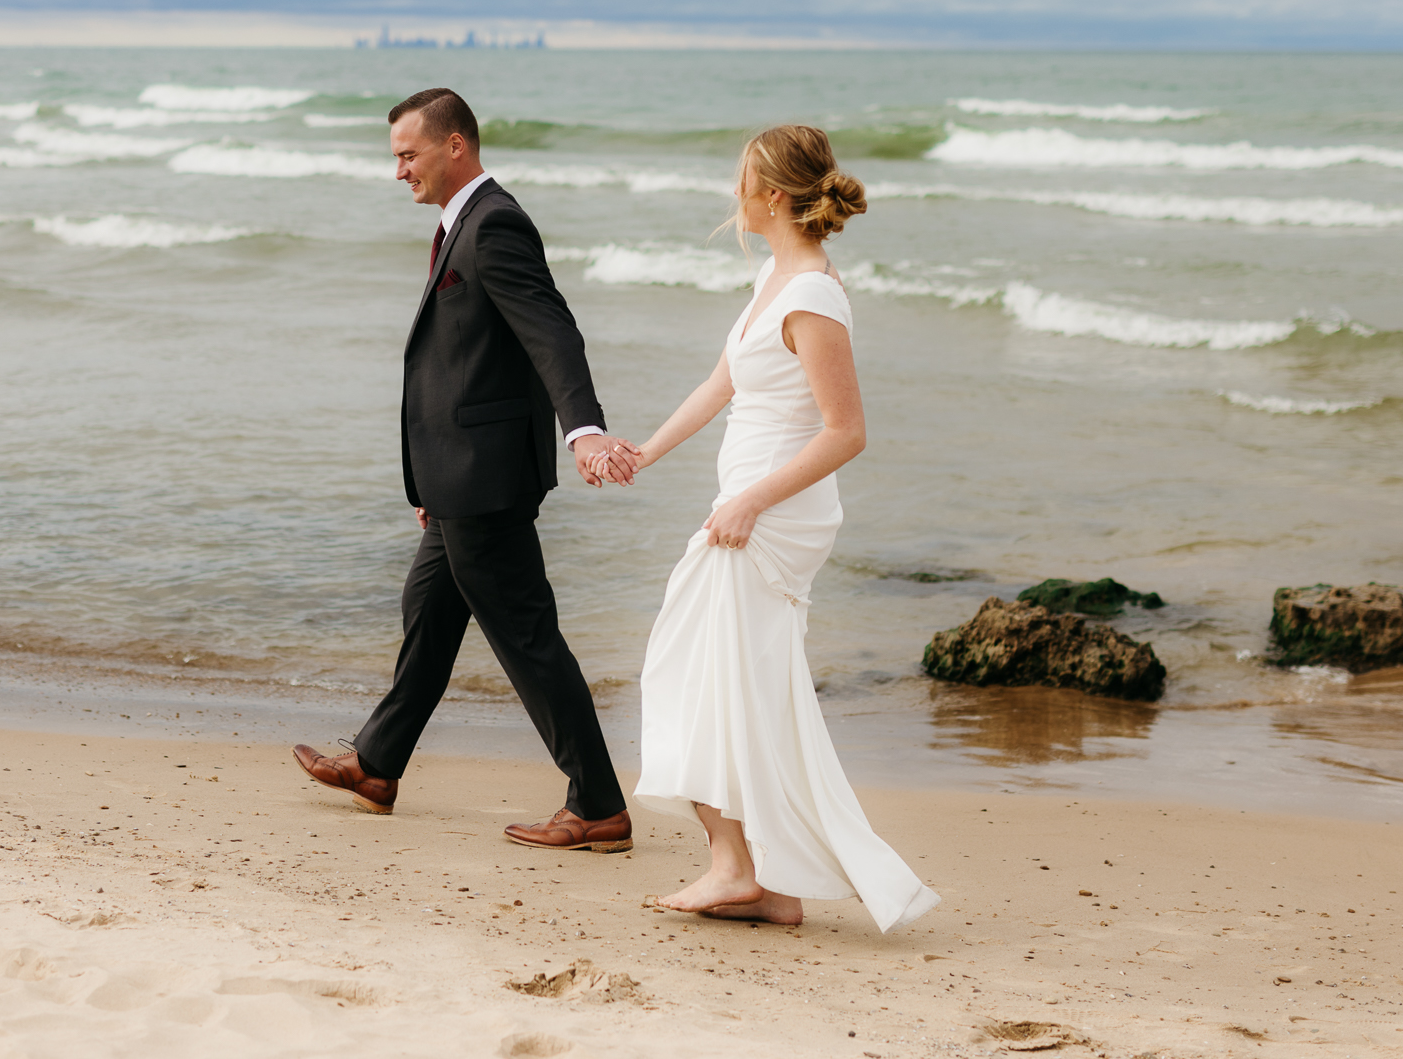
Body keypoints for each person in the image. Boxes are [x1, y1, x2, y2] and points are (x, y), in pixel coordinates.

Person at [292, 87, 642, 853]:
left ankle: (600, 802)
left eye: (408, 155)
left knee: (527, 637)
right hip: (455, 478)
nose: (398, 171)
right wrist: (426, 479)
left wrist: (583, 429)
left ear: (456, 146)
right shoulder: (462, 226)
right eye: (394, 157)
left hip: (485, 481)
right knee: (429, 614)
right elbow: (460, 364)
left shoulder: (497, 224)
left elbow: (553, 333)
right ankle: (377, 764)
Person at [626, 125, 942, 930]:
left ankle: (740, 868)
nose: (732, 192)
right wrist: (645, 452)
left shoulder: (812, 295)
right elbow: (722, 381)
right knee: (730, 682)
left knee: (694, 670)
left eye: (743, 179)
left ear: (773, 195)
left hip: (771, 513)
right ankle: (761, 877)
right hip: (747, 499)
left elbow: (845, 431)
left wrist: (752, 501)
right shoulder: (776, 275)